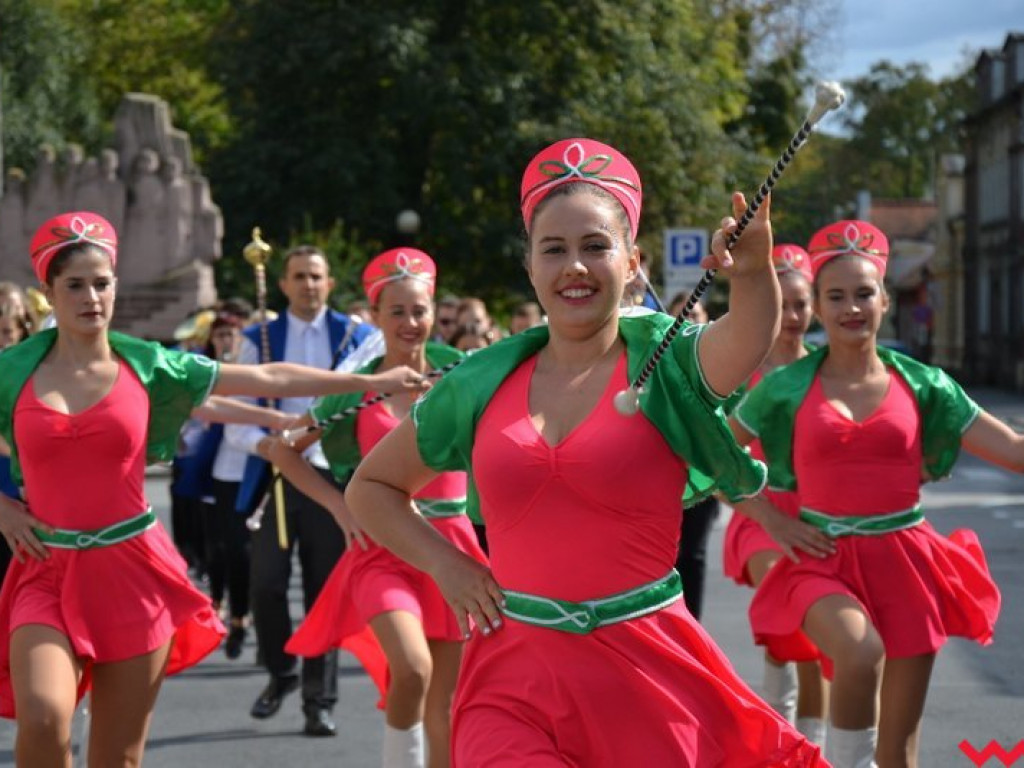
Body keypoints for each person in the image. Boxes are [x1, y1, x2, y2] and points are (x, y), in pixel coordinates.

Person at [342, 138, 824, 765]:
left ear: (631, 261)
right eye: (555, 250)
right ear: (531, 268)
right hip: (514, 675)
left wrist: (755, 269)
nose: (575, 266)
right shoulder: (478, 381)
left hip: (645, 670)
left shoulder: (669, 362)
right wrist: (447, 566)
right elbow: (371, 489)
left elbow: (745, 341)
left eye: (596, 246)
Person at [0, 212, 430, 767]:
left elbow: (268, 378)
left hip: (131, 572)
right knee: (43, 716)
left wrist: (367, 382)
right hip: (47, 570)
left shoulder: (150, 365)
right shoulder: (13, 372)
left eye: (101, 283)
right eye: (75, 285)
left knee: (117, 756)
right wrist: (4, 508)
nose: (91, 297)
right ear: (47, 292)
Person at [731, 220, 1016, 767]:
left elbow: (1013, 452)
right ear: (817, 305)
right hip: (820, 557)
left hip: (906, 563)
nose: (851, 307)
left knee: (898, 751)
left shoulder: (926, 385)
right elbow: (710, 454)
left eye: (864, 293)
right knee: (860, 655)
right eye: (835, 296)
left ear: (885, 299)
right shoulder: (784, 387)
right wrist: (768, 517)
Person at [262, 247, 487, 768]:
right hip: (383, 549)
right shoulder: (358, 386)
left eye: (420, 310)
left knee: (448, 705)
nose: (410, 322)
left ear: (435, 312)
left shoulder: (466, 374)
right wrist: (341, 508)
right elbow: (284, 450)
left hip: (452, 548)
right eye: (397, 312)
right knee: (411, 668)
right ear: (376, 317)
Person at [226, 244, 377, 737]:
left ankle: (320, 700)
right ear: (285, 283)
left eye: (316, 275)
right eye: (299, 276)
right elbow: (234, 420)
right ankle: (281, 673)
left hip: (331, 480)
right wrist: (267, 444)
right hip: (277, 479)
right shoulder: (258, 339)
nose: (308, 284)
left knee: (323, 591)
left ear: (330, 283)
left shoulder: (360, 336)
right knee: (265, 583)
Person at [721, 244, 828, 745]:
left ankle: (812, 749)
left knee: (815, 652)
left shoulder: (828, 372)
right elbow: (715, 461)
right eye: (782, 304)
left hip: (819, 517)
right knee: (794, 616)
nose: (792, 316)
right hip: (760, 516)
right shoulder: (747, 375)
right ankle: (780, 746)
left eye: (802, 304)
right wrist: (765, 515)